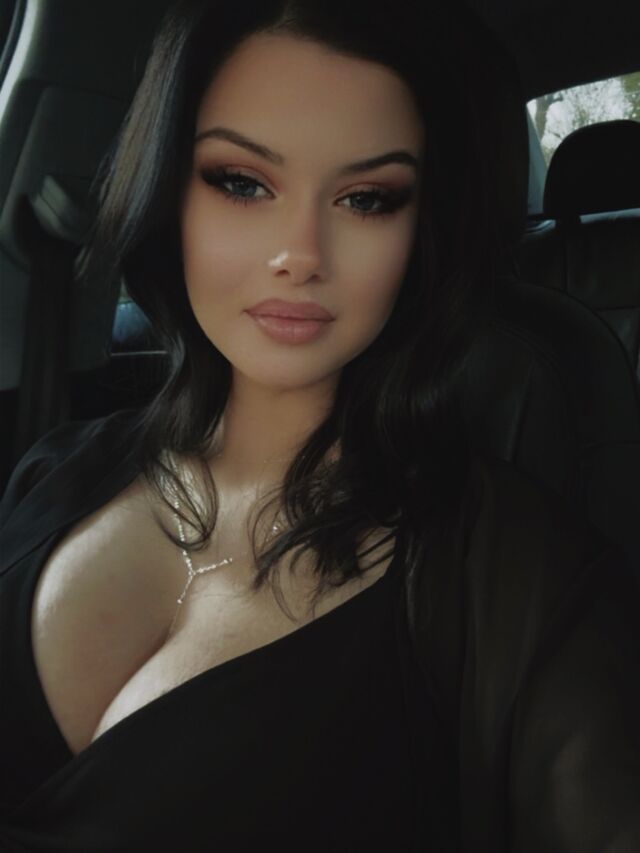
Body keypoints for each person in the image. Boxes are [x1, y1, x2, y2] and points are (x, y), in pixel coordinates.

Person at [1, 0, 639, 850]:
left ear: (420, 229)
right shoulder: (50, 469)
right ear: (171, 191)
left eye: (367, 198)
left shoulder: (531, 591)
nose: (300, 253)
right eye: (242, 182)